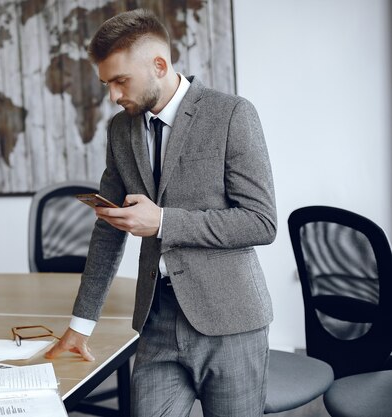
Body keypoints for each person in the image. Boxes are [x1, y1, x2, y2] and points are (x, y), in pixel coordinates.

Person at [45, 8, 277, 417]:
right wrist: (81, 325)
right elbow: (108, 230)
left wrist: (164, 221)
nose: (114, 96)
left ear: (158, 64)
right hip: (156, 319)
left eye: (120, 81)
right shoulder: (120, 130)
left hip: (231, 320)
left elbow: (261, 221)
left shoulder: (232, 115)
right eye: (107, 84)